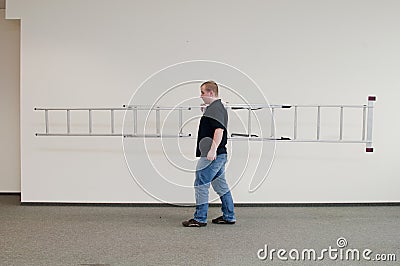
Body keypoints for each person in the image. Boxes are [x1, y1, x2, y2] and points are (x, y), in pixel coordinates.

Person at [182, 81, 236, 227]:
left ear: (211, 93)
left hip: (212, 155)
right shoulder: (217, 107)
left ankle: (200, 218)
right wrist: (206, 112)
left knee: (201, 183)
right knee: (220, 185)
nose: (201, 96)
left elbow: (219, 130)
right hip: (219, 154)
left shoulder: (216, 108)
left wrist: (212, 150)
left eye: (203, 93)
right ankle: (229, 216)